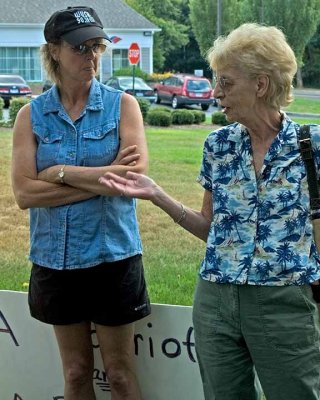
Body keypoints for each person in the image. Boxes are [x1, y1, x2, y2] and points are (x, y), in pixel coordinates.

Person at [99, 23, 320, 400]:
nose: (216, 93)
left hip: (284, 302)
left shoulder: (311, 145)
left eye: (226, 83)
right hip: (215, 298)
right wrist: (157, 195)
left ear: (261, 85)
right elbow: (211, 229)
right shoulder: (218, 145)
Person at [11, 6, 150, 400]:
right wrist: (103, 180)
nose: (91, 56)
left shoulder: (122, 106)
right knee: (74, 373)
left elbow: (131, 179)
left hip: (113, 259)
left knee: (121, 376)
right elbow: (24, 194)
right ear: (54, 50)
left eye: (96, 46)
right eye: (79, 47)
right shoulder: (31, 116)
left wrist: (59, 172)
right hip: (56, 261)